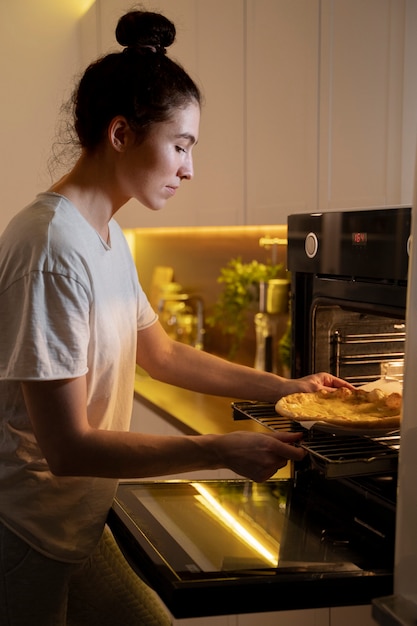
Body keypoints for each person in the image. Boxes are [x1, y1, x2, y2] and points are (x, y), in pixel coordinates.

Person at [0, 9, 353, 626]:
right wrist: (219, 449)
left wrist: (287, 391)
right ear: (120, 134)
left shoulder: (106, 235)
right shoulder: (50, 248)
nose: (190, 168)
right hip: (27, 533)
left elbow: (163, 355)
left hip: (76, 522)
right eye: (181, 146)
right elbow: (66, 447)